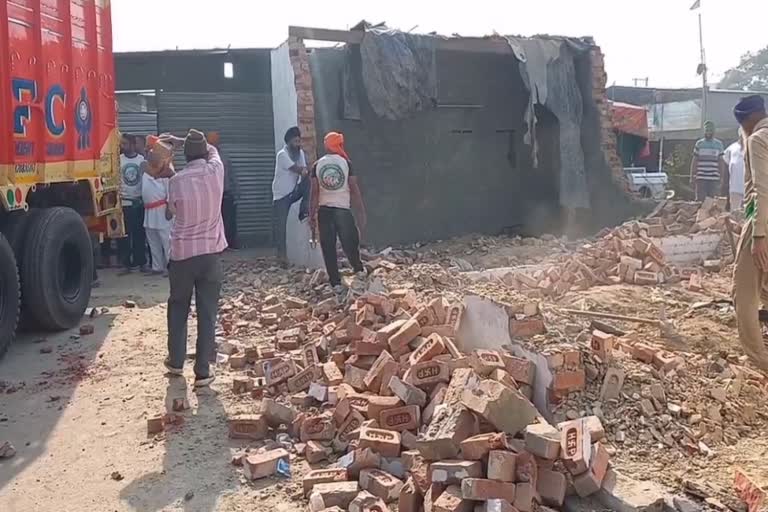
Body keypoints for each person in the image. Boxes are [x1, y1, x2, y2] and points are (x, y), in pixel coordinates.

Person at [149, 130, 226, 388]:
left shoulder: (177, 181)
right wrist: (187, 141)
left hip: (182, 256)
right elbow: (213, 151)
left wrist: (174, 149)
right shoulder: (216, 170)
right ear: (204, 152)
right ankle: (203, 371)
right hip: (209, 255)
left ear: (185, 155)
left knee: (178, 307)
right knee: (207, 313)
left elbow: (171, 214)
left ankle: (176, 361)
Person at [732, 95, 768, 372]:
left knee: (743, 294)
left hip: (762, 224)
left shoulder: (757, 139)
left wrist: (757, 235)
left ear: (746, 120)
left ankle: (759, 361)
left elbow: (760, 189)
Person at [309, 131, 367, 293]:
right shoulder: (346, 164)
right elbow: (354, 189)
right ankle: (358, 269)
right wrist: (361, 210)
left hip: (324, 210)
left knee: (328, 246)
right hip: (342, 209)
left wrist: (311, 214)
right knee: (350, 242)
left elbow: (314, 192)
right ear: (338, 145)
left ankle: (335, 281)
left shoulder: (317, 165)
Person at [272, 126, 310, 266]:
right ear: (288, 142)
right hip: (281, 195)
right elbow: (298, 169)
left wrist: (308, 171)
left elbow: (305, 172)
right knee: (280, 228)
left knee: (309, 182)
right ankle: (282, 258)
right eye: (295, 141)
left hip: (293, 192)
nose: (298, 144)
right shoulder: (282, 154)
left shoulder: (299, 154)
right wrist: (306, 170)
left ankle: (304, 211)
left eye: (299, 141)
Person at [118, 133, 148, 273]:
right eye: (121, 144)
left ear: (132, 145)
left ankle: (141, 262)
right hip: (124, 203)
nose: (122, 146)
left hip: (139, 203)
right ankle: (126, 264)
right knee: (124, 236)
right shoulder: (118, 160)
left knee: (139, 235)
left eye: (125, 144)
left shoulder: (142, 160)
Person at [208, 132, 239, 249]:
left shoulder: (224, 156)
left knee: (229, 219)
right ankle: (215, 245)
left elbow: (231, 174)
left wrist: (236, 190)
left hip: (226, 193)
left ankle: (230, 244)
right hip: (211, 195)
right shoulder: (205, 158)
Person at [142, 168, 172, 276]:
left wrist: (169, 208)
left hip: (161, 208)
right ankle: (157, 267)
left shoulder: (166, 168)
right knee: (152, 240)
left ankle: (171, 267)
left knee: (166, 240)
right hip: (148, 209)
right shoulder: (145, 169)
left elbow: (171, 190)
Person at [690, 121, 725, 201]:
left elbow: (721, 162)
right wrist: (692, 176)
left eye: (710, 131)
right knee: (700, 200)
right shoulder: (699, 144)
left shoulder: (719, 144)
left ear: (713, 132)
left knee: (712, 202)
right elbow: (694, 161)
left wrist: (722, 177)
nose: (708, 133)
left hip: (714, 178)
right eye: (707, 131)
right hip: (701, 177)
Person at [724, 137, 746, 210]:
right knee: (734, 211)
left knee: (750, 213)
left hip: (750, 187)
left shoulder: (753, 145)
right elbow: (726, 159)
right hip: (735, 187)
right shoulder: (732, 147)